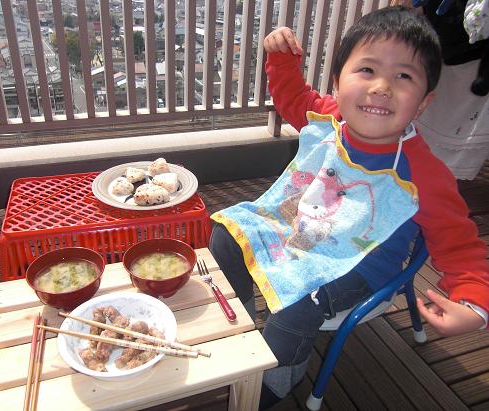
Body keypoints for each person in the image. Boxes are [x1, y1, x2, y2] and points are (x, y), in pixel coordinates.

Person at [208, 6, 488, 410]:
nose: (382, 87)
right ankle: (245, 328)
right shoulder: (330, 118)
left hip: (361, 263)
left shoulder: (424, 173)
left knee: (297, 306)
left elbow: (461, 248)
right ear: (338, 84)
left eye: (403, 76)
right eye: (368, 70)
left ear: (424, 103)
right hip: (305, 226)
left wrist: (474, 305)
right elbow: (293, 98)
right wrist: (282, 58)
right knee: (226, 232)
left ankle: (275, 382)